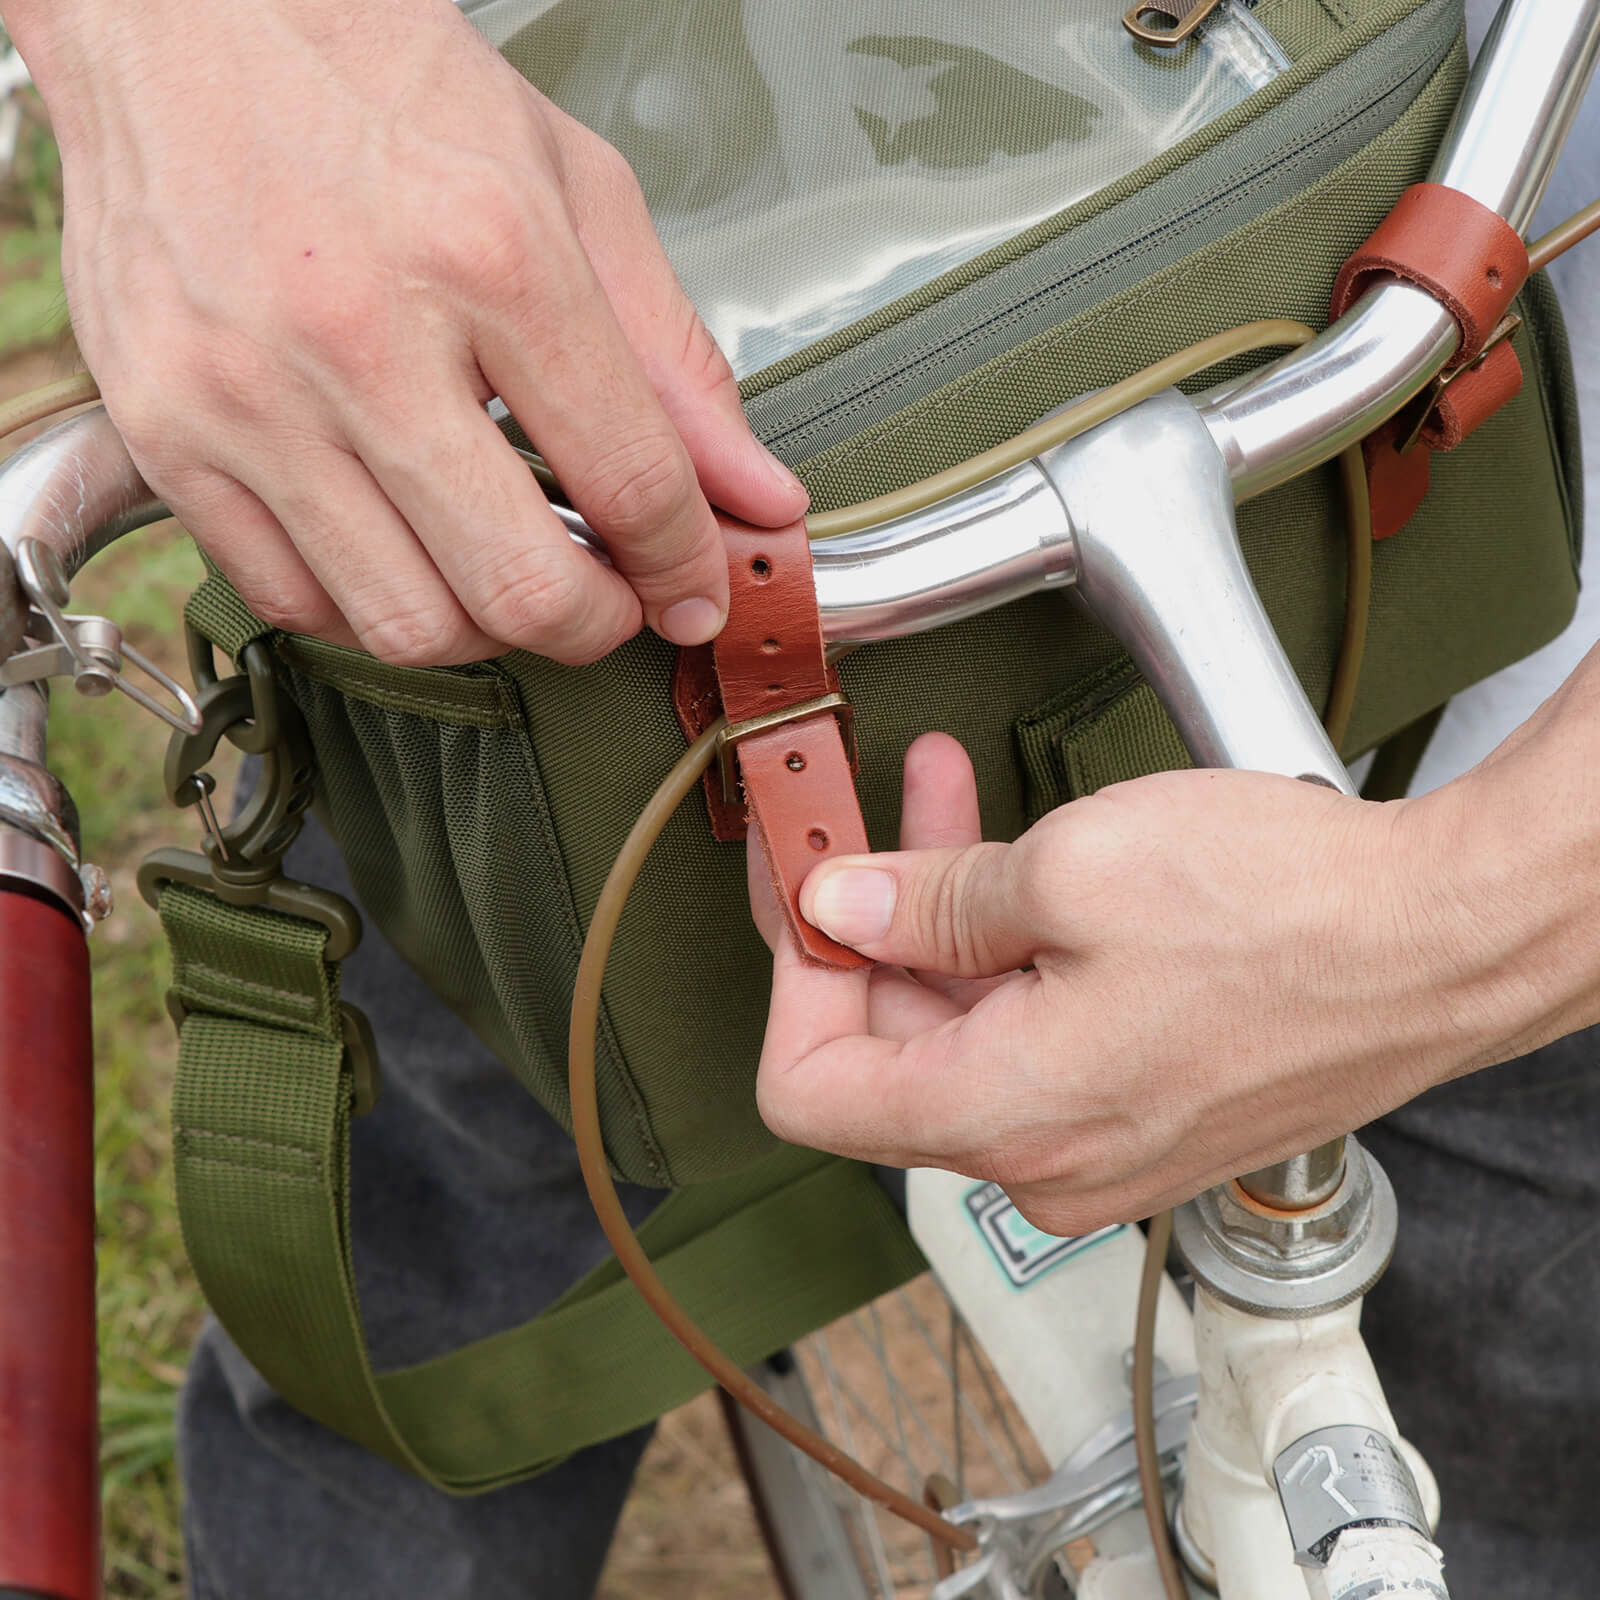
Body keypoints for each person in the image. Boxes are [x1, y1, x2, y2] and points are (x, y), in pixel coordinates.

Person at [4, 0, 1596, 1593]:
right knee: (465, 1249)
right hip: (503, 359)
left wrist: (1473, 926)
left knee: (1505, 1435)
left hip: (1499, 610)